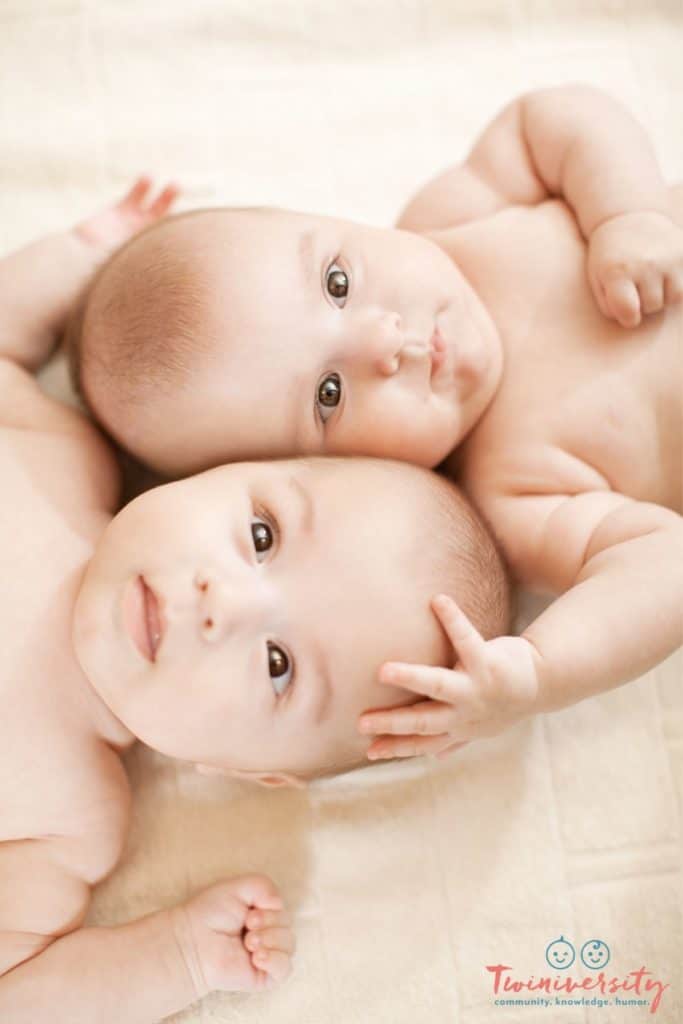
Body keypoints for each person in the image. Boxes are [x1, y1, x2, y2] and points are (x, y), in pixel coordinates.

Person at [0, 190, 510, 1020]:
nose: (223, 603)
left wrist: (174, 958)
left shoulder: (70, 816)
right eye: (262, 535)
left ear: (242, 772)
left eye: (277, 668)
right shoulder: (55, 449)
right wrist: (80, 253)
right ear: (209, 472)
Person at [66, 84, 682, 763]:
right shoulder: (512, 502)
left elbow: (548, 120)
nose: (382, 340)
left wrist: (628, 211)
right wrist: (541, 669)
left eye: (337, 282)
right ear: (337, 469)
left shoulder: (448, 219)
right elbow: (661, 564)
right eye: (330, 395)